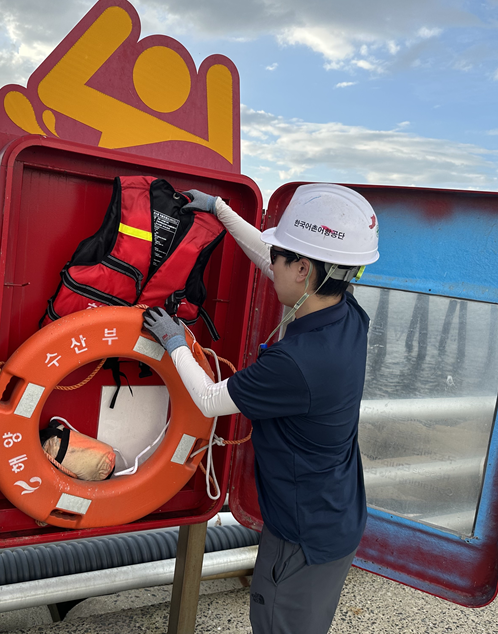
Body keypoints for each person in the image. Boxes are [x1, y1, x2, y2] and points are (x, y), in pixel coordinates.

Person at [142, 183, 379, 634]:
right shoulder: (346, 313)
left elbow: (211, 400)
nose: (271, 263)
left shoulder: (298, 362)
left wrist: (174, 343)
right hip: (336, 511)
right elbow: (273, 266)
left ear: (304, 270)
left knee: (277, 622)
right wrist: (220, 211)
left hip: (302, 531)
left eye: (281, 257)